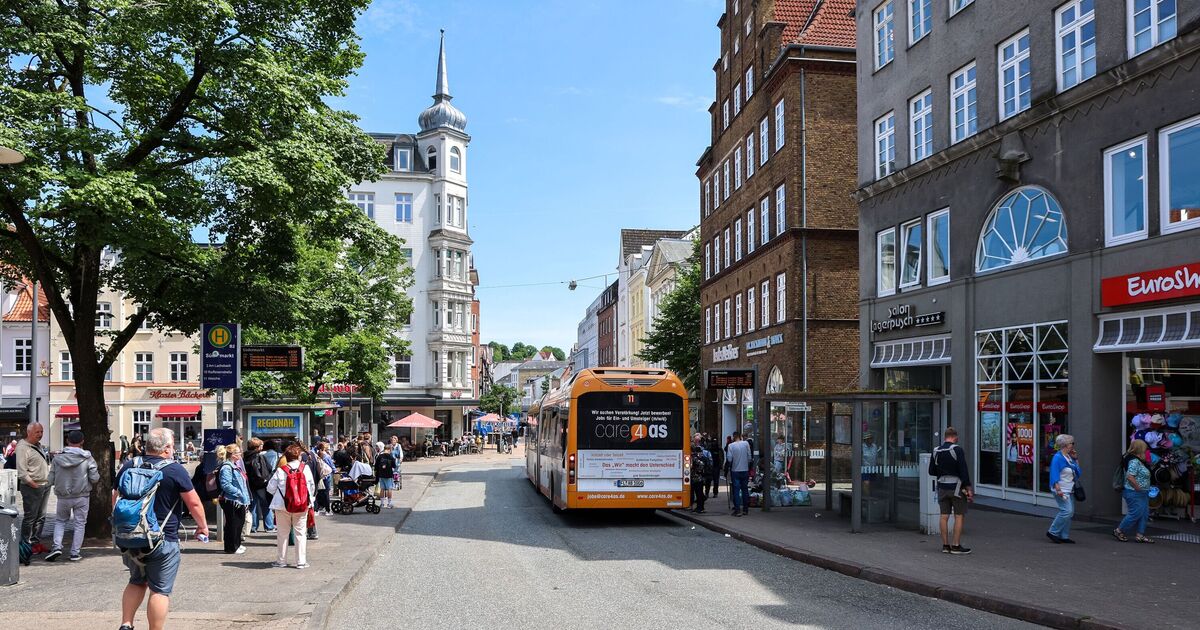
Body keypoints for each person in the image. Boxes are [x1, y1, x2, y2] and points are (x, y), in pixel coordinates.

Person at [117, 428, 209, 630]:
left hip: (131, 536)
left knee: (136, 581)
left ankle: (126, 624)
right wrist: (202, 527)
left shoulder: (128, 465)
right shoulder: (174, 470)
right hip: (163, 539)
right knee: (159, 590)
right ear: (167, 447)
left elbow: (115, 500)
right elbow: (193, 503)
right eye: (172, 443)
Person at [46, 429, 99, 562]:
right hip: (82, 496)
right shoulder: (88, 458)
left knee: (60, 521)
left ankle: (57, 546)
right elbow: (94, 478)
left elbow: (50, 479)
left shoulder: (57, 458)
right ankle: (75, 553)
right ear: (82, 441)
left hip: (63, 497)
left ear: (67, 441)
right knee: (80, 524)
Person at [267, 444, 315, 569]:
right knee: (300, 533)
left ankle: (281, 561)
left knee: (282, 534)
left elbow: (270, 488)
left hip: (282, 505)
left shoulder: (280, 470)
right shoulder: (305, 469)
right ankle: (301, 562)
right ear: (298, 456)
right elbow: (311, 487)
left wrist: (281, 493)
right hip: (302, 505)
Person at [929, 427, 973, 555]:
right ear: (955, 437)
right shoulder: (957, 450)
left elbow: (931, 471)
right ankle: (956, 546)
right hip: (957, 488)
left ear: (945, 437)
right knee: (959, 515)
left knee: (944, 516)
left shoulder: (936, 451)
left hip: (942, 487)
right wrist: (968, 487)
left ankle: (945, 546)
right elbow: (963, 470)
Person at [16, 422, 50, 545]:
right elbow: (22, 472)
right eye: (37, 432)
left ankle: (35, 542)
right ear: (29, 432)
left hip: (44, 485)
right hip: (32, 486)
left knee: (41, 517)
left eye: (41, 431)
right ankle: (25, 543)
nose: (40, 434)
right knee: (30, 517)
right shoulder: (22, 447)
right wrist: (34, 485)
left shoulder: (39, 445)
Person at [1114, 439, 1154, 544]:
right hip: (1134, 492)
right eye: (1144, 448)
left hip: (1142, 492)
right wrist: (1137, 487)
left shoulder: (1138, 460)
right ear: (1140, 448)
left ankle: (1140, 535)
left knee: (1144, 513)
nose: (1146, 450)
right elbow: (1130, 476)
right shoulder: (1134, 461)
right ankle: (1119, 530)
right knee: (1135, 513)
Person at [216, 443, 251, 554]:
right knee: (233, 524)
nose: (240, 453)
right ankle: (231, 547)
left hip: (238, 499)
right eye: (238, 452)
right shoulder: (227, 467)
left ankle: (237, 544)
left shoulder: (235, 465)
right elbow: (225, 484)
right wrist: (238, 493)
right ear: (232, 454)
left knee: (238, 523)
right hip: (231, 500)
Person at [1047, 433, 1081, 544]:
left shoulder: (1069, 457)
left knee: (1069, 513)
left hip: (1069, 489)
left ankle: (1064, 535)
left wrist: (1076, 459)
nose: (1073, 445)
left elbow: (1078, 473)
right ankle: (1053, 532)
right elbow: (1054, 475)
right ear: (1066, 445)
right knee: (1067, 511)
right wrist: (1058, 490)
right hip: (1062, 489)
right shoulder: (1058, 458)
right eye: (1072, 443)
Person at [245, 438, 275, 533]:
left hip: (249, 485)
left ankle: (253, 527)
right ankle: (269, 526)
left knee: (252, 506)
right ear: (257, 447)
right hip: (261, 485)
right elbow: (268, 468)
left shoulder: (244, 456)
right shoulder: (259, 457)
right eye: (261, 445)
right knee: (266, 505)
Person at [726, 432, 752, 516]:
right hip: (745, 469)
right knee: (745, 490)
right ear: (740, 437)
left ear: (734, 437)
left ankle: (737, 510)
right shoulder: (746, 443)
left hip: (735, 470)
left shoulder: (731, 446)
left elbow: (729, 459)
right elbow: (749, 457)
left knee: (736, 491)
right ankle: (745, 509)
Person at [691, 441, 711, 513]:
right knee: (699, 492)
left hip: (697, 477)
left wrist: (698, 471)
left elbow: (700, 464)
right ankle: (700, 506)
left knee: (698, 493)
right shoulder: (703, 456)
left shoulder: (694, 457)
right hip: (701, 477)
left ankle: (700, 507)